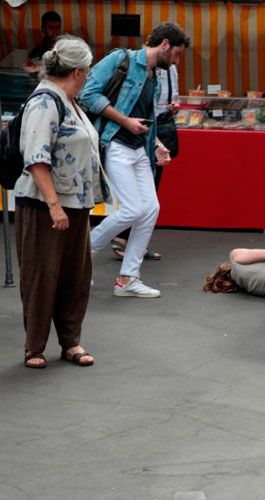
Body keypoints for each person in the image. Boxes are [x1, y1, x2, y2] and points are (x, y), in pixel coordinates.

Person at [14, 36, 108, 368]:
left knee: (75, 275)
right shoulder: (45, 101)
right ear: (79, 72)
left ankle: (71, 342)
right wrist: (54, 205)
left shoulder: (70, 101)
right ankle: (34, 347)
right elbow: (36, 159)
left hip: (76, 203)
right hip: (45, 204)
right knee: (42, 275)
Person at [79, 22, 189, 299]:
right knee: (131, 210)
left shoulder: (154, 75)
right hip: (115, 143)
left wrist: (157, 145)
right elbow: (88, 93)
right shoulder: (121, 59)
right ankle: (77, 261)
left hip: (139, 149)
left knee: (150, 209)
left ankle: (128, 277)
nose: (176, 60)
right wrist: (125, 121)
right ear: (164, 44)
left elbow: (145, 116)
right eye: (176, 54)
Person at [110, 63, 181, 261]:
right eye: (176, 53)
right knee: (139, 195)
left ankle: (135, 243)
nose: (176, 58)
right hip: (143, 128)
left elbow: (172, 96)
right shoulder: (136, 66)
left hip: (159, 125)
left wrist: (174, 106)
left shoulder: (170, 68)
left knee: (151, 191)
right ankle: (119, 237)